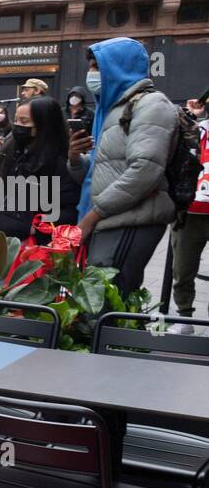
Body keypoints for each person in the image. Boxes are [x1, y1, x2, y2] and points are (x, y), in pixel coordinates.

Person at [68, 37, 178, 297]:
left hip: (128, 221)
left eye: (97, 67)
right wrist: (74, 157)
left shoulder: (151, 105)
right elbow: (101, 172)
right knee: (98, 305)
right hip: (106, 220)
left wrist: (92, 217)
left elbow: (145, 170)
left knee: (108, 302)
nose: (91, 74)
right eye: (91, 67)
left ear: (118, 67)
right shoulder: (112, 108)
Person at [0, 96, 79, 240]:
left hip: (36, 247)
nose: (18, 125)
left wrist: (33, 229)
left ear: (44, 124)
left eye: (24, 121)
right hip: (2, 240)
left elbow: (68, 210)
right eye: (16, 120)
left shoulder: (60, 160)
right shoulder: (9, 148)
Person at [169, 89, 209, 334]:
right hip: (190, 210)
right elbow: (175, 135)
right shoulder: (199, 127)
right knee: (183, 269)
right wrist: (190, 114)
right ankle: (185, 317)